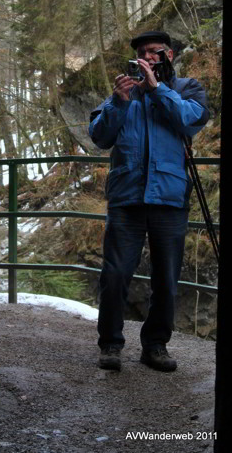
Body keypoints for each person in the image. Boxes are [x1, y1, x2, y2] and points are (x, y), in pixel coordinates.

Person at [89, 31, 209, 372]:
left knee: (166, 279)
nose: (148, 58)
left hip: (169, 198)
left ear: (168, 54)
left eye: (155, 53)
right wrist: (118, 101)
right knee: (114, 275)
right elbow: (100, 136)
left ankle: (155, 346)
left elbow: (190, 119)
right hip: (127, 197)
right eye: (142, 54)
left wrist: (157, 89)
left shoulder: (187, 89)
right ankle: (110, 345)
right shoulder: (123, 94)